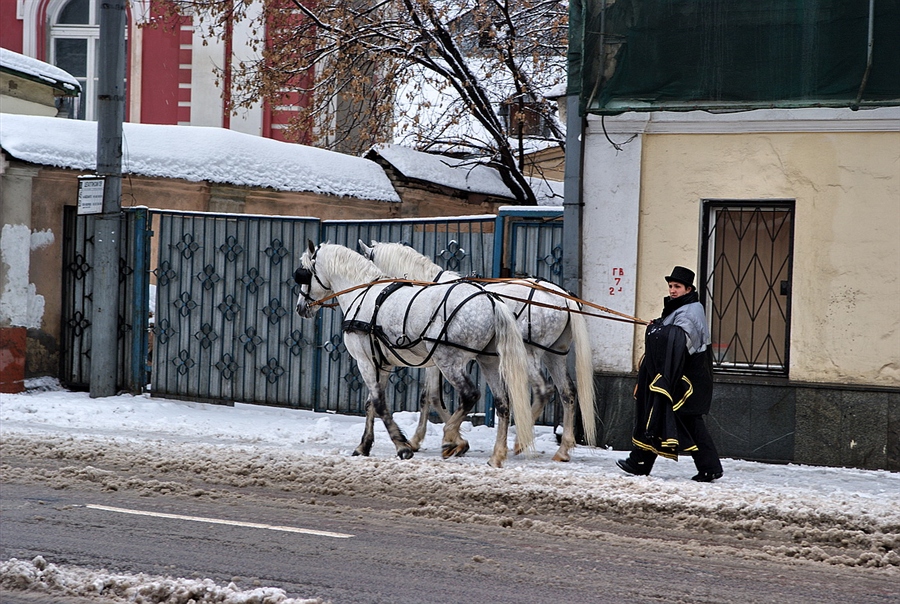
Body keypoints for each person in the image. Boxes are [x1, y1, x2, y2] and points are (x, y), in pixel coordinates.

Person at [616, 266, 724, 482]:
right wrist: (659, 325)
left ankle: (709, 467)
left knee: (686, 420)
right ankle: (641, 462)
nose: (672, 290)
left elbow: (679, 341)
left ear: (688, 289)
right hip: (680, 377)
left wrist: (657, 329)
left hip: (687, 380)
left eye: (677, 287)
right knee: (659, 414)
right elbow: (671, 333)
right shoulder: (682, 307)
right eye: (671, 286)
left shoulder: (691, 310)